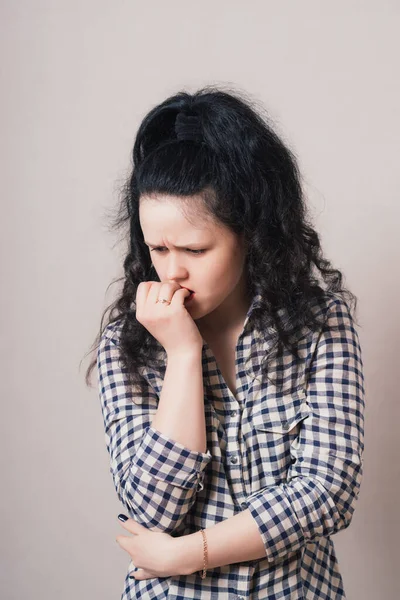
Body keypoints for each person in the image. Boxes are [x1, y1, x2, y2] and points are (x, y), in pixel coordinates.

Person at [85, 86, 365, 600]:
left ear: (251, 234)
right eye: (158, 249)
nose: (172, 271)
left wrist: (186, 554)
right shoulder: (127, 345)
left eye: (194, 248)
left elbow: (329, 493)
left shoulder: (321, 323)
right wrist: (183, 355)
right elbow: (152, 510)